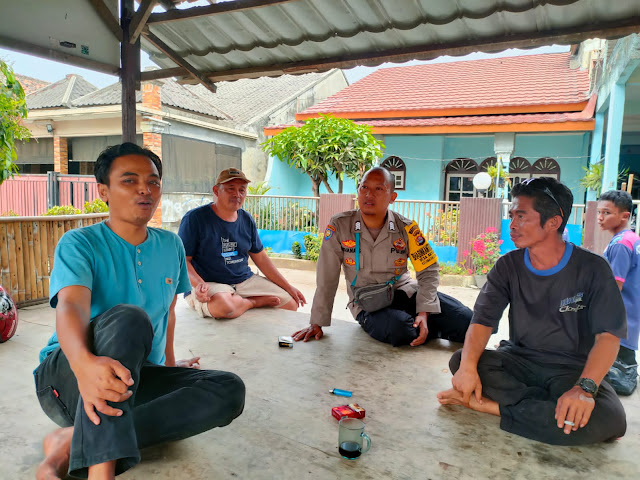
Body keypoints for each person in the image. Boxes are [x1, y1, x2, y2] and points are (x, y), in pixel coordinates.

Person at [34, 143, 245, 480]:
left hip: (136, 377)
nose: (145, 189)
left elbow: (168, 314)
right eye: (129, 181)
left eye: (153, 181)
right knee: (129, 318)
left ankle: (73, 440)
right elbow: (71, 306)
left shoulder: (170, 245)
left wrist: (169, 366)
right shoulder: (80, 243)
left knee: (228, 389)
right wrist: (85, 366)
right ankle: (100, 471)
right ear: (104, 191)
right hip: (69, 376)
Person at [437, 177, 627, 446]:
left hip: (571, 370)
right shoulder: (508, 266)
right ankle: (547, 412)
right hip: (520, 361)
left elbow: (608, 337)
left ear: (553, 222)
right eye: (511, 215)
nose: (512, 224)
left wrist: (583, 389)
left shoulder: (593, 269)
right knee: (461, 361)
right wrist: (468, 368)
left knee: (611, 419)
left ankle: (492, 407)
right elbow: (482, 321)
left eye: (521, 216)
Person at [293, 166, 472, 346]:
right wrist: (317, 322)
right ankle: (421, 327)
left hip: (405, 292)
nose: (369, 194)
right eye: (364, 187)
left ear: (392, 197)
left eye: (378, 188)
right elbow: (327, 276)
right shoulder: (340, 225)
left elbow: (428, 269)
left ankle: (421, 325)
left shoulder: (406, 228)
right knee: (401, 329)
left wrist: (424, 311)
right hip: (367, 302)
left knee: (467, 320)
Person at [178, 168, 306, 319]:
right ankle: (252, 302)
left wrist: (288, 287)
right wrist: (199, 284)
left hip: (244, 282)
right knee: (224, 307)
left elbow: (261, 258)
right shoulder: (195, 218)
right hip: (208, 283)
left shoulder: (246, 219)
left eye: (242, 190)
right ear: (216, 191)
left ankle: (239, 302)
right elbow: (183, 260)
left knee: (290, 303)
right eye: (230, 189)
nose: (237, 195)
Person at [598, 189, 639, 395]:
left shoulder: (621, 244)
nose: (600, 217)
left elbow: (615, 286)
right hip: (631, 311)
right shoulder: (632, 238)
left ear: (624, 216)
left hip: (620, 314)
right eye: (599, 212)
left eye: (606, 213)